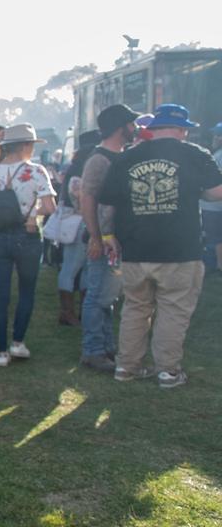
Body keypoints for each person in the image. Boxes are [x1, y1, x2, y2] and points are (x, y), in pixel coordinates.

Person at [99, 104, 222, 388]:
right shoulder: (195, 154)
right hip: (180, 250)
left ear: (152, 129)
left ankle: (126, 367)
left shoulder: (127, 158)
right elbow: (216, 192)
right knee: (173, 309)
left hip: (135, 249)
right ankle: (167, 371)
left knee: (135, 308)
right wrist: (196, 191)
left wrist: (107, 237)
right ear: (182, 130)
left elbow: (107, 203)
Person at [0, 123, 57, 367]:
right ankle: (17, 342)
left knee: (0, 295)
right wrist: (32, 214)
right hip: (27, 235)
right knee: (26, 291)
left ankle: (0, 351)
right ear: (26, 145)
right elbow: (50, 207)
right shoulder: (36, 171)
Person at [77, 104, 138, 372]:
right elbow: (86, 199)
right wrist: (95, 237)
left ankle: (106, 347)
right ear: (120, 127)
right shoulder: (99, 159)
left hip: (115, 239)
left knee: (108, 296)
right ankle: (93, 351)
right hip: (103, 239)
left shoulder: (121, 155)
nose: (135, 129)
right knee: (97, 295)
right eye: (131, 124)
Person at [53, 130, 101, 326]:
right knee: (73, 267)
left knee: (81, 268)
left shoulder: (74, 168)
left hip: (74, 222)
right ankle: (68, 312)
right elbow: (80, 202)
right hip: (80, 222)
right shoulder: (80, 173)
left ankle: (78, 310)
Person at [201, 122, 222, 273]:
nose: (214, 137)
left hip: (214, 206)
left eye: (217, 134)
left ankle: (219, 267)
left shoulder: (218, 156)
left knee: (216, 238)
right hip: (215, 204)